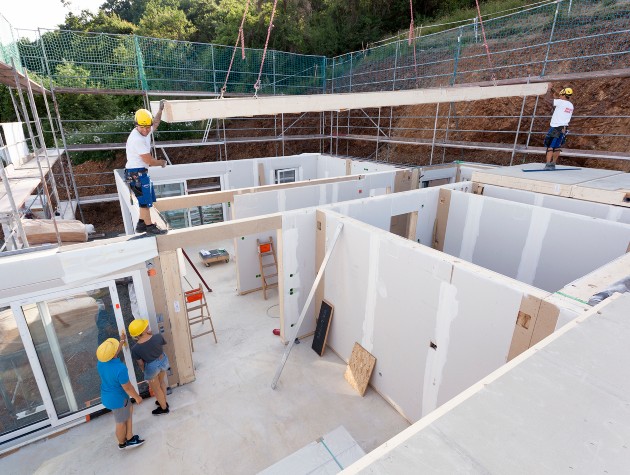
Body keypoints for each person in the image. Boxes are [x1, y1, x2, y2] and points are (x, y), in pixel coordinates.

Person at [125, 100, 168, 235]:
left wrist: (160, 111)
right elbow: (149, 161)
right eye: (142, 127)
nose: (145, 130)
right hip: (136, 174)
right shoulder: (137, 140)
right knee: (145, 203)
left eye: (147, 127)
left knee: (145, 199)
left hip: (138, 173)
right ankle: (150, 227)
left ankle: (141, 224)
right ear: (136, 125)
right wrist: (161, 162)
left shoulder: (146, 128)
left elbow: (155, 123)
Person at [96, 333, 145, 450]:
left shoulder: (101, 362)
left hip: (108, 396)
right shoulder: (120, 369)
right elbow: (127, 388)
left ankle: (129, 436)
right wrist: (137, 397)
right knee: (120, 422)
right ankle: (123, 443)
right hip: (118, 400)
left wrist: (122, 341)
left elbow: (113, 353)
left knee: (128, 411)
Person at [129, 319, 170, 416]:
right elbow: (162, 345)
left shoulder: (135, 349)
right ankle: (163, 401)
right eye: (145, 326)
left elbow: (141, 364)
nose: (147, 326)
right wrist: (151, 336)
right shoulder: (157, 336)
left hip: (152, 367)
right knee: (162, 382)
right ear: (143, 331)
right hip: (163, 360)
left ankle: (163, 408)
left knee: (156, 389)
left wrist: (144, 371)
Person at [543, 86, 574, 170]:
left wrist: (548, 89)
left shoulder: (560, 102)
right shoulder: (570, 105)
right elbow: (558, 109)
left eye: (560, 95)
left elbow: (547, 100)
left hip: (556, 127)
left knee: (550, 146)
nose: (559, 97)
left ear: (564, 95)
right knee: (557, 147)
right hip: (564, 129)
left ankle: (548, 164)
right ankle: (553, 164)